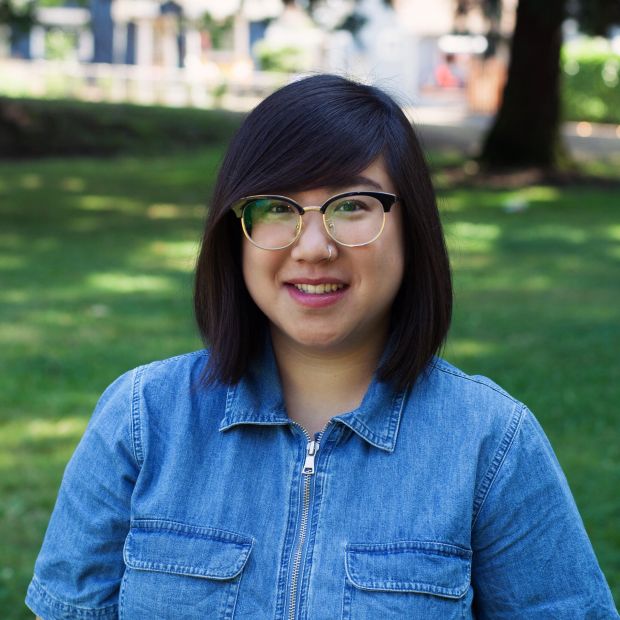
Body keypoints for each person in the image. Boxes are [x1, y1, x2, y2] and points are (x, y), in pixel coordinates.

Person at [26, 74, 618, 619]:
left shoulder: (491, 443)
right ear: (237, 233)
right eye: (277, 208)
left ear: (413, 229)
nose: (313, 247)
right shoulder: (141, 419)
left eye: (353, 206)